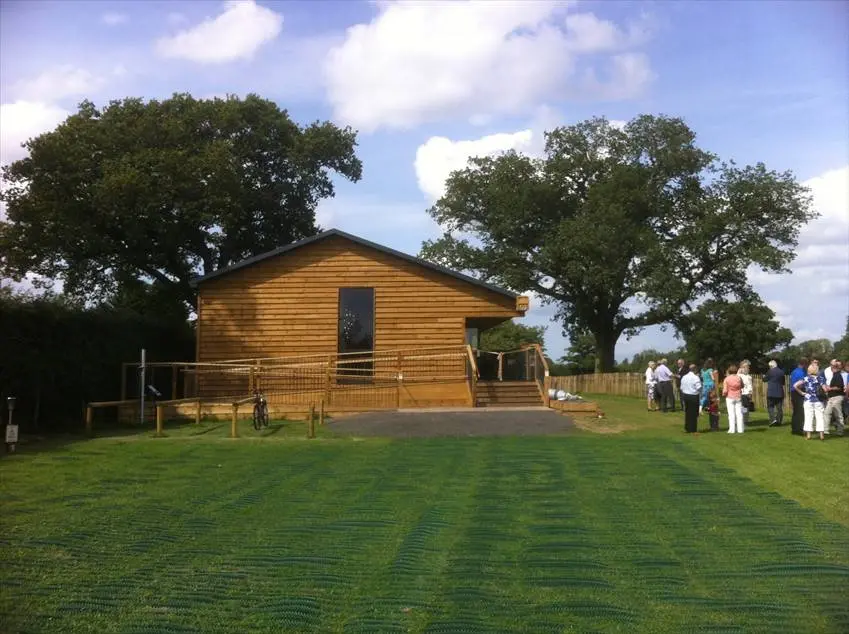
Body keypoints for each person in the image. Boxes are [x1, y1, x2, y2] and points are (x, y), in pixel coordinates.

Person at [794, 363, 827, 440]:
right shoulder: (820, 379)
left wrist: (802, 393)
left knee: (808, 417)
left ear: (809, 370)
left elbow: (795, 385)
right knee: (820, 417)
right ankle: (821, 435)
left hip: (808, 400)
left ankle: (809, 435)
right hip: (818, 400)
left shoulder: (805, 378)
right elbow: (825, 389)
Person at [822, 359, 847, 436]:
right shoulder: (835, 375)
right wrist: (829, 388)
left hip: (837, 397)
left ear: (834, 369)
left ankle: (840, 431)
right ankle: (825, 430)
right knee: (826, 413)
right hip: (831, 397)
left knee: (838, 415)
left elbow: (840, 387)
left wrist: (830, 388)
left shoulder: (838, 376)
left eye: (832, 368)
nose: (831, 370)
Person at [679, 363, 702, 433]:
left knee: (688, 412)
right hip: (693, 396)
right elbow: (699, 388)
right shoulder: (696, 377)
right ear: (695, 369)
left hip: (685, 395)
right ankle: (693, 429)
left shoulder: (684, 377)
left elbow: (681, 388)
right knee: (694, 413)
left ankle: (687, 428)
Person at [762, 360, 785, 427]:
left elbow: (764, 380)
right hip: (780, 392)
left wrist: (763, 377)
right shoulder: (781, 372)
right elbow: (783, 382)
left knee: (770, 406)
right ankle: (779, 421)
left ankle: (773, 419)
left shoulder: (770, 371)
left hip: (771, 392)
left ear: (771, 366)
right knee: (779, 408)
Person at [788, 358, 808, 436]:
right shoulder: (802, 372)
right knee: (800, 411)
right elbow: (801, 383)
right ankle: (799, 429)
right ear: (804, 364)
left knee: (796, 411)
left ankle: (794, 428)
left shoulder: (794, 371)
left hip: (793, 392)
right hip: (799, 391)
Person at [723, 364, 744, 434]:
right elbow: (742, 386)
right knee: (739, 414)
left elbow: (725, 390)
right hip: (738, 397)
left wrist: (724, 394)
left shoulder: (727, 379)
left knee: (731, 414)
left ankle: (732, 429)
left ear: (729, 371)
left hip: (730, 397)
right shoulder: (739, 378)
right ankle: (740, 429)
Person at [738, 360, 754, 426]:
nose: (748, 368)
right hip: (741, 393)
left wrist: (750, 393)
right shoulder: (738, 375)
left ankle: (745, 421)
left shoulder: (749, 376)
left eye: (748, 367)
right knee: (742, 408)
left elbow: (750, 385)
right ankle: (742, 421)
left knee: (746, 408)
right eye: (746, 367)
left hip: (746, 394)